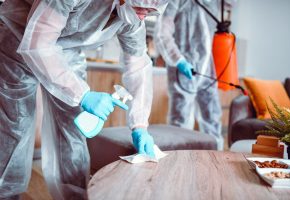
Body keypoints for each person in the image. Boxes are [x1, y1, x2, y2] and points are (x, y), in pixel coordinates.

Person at [0, 0, 169, 199]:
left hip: (67, 53)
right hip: (20, 39)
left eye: (151, 12)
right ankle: (6, 193)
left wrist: (140, 125)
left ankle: (75, 196)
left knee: (74, 129)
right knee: (15, 125)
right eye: (142, 8)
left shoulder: (131, 19)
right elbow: (38, 45)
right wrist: (83, 94)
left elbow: (138, 66)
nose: (144, 16)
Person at [154, 0, 234, 150]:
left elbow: (231, 5)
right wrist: (178, 60)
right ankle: (177, 161)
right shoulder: (177, 2)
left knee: (212, 117)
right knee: (180, 122)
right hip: (184, 66)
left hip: (206, 68)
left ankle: (215, 159)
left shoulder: (215, 3)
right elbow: (162, 33)